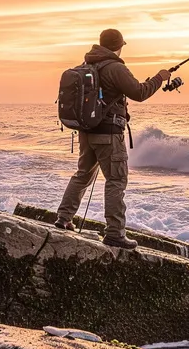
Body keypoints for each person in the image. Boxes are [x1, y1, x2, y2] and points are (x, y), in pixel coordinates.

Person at [54, 28, 172, 249]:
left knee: (82, 175)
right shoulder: (115, 67)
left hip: (87, 132)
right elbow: (139, 93)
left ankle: (63, 218)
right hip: (108, 133)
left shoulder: (87, 65)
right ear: (118, 46)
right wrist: (160, 78)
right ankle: (115, 233)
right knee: (116, 181)